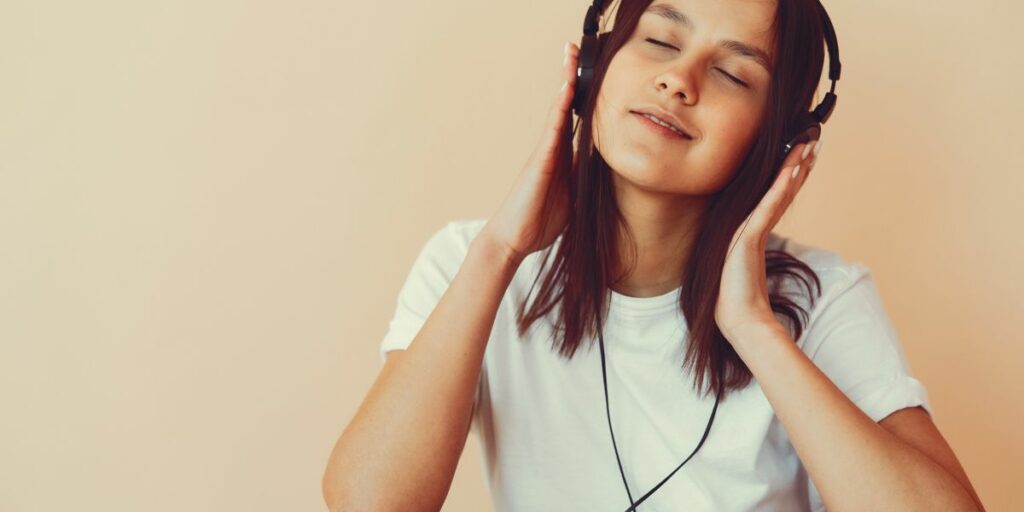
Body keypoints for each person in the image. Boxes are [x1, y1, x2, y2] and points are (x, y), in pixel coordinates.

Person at [323, 0, 985, 510]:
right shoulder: (474, 261)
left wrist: (754, 326)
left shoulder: (824, 298)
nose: (678, 80)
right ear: (591, 69)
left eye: (730, 72)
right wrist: (501, 249)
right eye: (661, 41)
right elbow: (370, 501)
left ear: (781, 141)